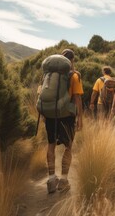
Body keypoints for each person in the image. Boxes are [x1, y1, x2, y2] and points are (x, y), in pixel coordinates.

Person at [41, 49, 83, 193]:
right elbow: (77, 98)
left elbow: (42, 95)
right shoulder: (74, 76)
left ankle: (51, 180)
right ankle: (64, 180)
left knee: (51, 145)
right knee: (68, 147)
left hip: (50, 115)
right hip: (67, 116)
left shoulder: (47, 75)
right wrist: (80, 118)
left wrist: (45, 115)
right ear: (71, 61)